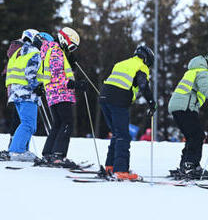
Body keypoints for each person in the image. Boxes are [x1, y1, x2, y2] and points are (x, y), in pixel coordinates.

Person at [99, 45, 156, 180]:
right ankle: (121, 170)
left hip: (104, 97)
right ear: (147, 59)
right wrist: (151, 102)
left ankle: (110, 166)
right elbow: (143, 85)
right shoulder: (141, 66)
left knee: (116, 133)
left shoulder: (121, 63)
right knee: (123, 136)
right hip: (118, 99)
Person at [168, 53, 208, 180]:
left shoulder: (194, 70)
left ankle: (186, 164)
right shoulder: (203, 72)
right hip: (185, 107)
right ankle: (191, 166)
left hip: (180, 106)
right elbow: (206, 89)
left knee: (192, 136)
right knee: (198, 135)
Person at [35, 27, 87, 168]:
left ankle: (48, 153)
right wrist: (75, 84)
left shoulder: (50, 50)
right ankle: (58, 155)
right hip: (60, 91)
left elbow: (57, 70)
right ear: (65, 39)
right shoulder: (56, 51)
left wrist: (70, 61)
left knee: (58, 123)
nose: (71, 50)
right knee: (67, 122)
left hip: (52, 92)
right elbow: (58, 75)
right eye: (71, 46)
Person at [3, 29, 43, 162]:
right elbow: (30, 72)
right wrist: (37, 86)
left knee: (26, 123)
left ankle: (21, 149)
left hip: (15, 92)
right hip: (26, 93)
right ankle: (17, 151)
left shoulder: (17, 53)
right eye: (38, 38)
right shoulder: (33, 52)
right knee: (28, 124)